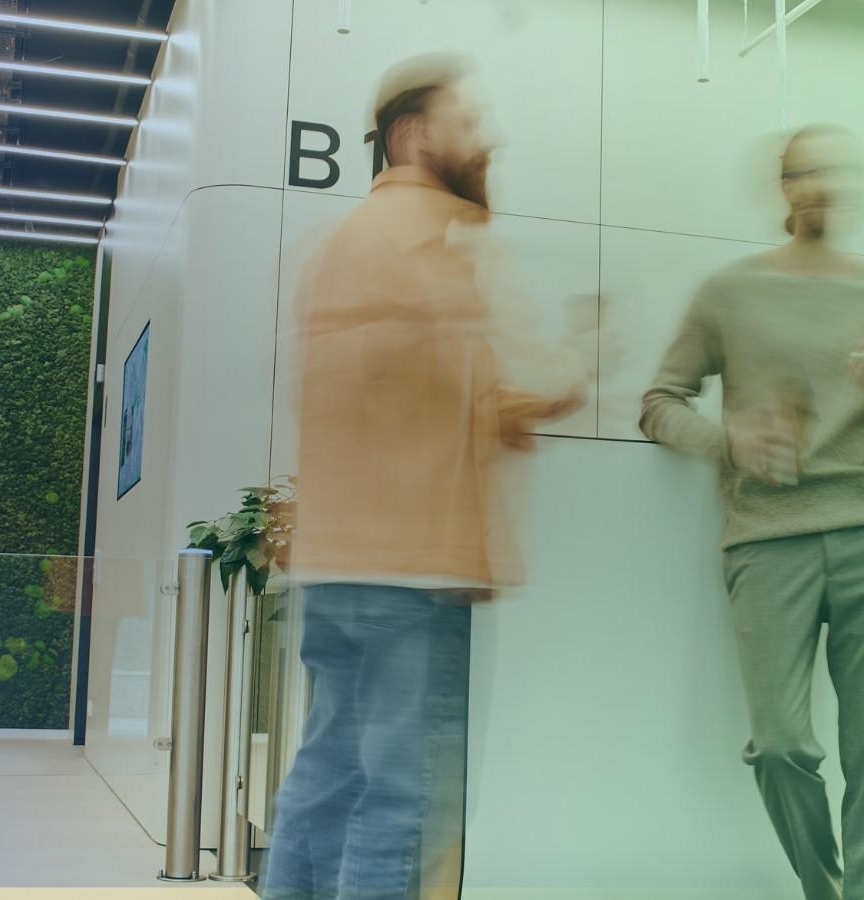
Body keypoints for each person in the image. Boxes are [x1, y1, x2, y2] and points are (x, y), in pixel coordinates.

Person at [264, 53, 593, 900]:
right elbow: (478, 389)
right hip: (415, 575)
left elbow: (427, 394)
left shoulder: (339, 247)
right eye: (468, 123)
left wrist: (529, 397)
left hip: (336, 567)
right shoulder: (436, 241)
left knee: (324, 780)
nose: (488, 140)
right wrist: (569, 373)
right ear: (413, 136)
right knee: (403, 804)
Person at [640, 125, 864, 900]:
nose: (819, 184)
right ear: (783, 185)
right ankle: (826, 890)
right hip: (767, 539)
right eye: (804, 171)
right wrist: (729, 442)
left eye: (835, 171)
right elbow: (659, 402)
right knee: (780, 746)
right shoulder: (729, 293)